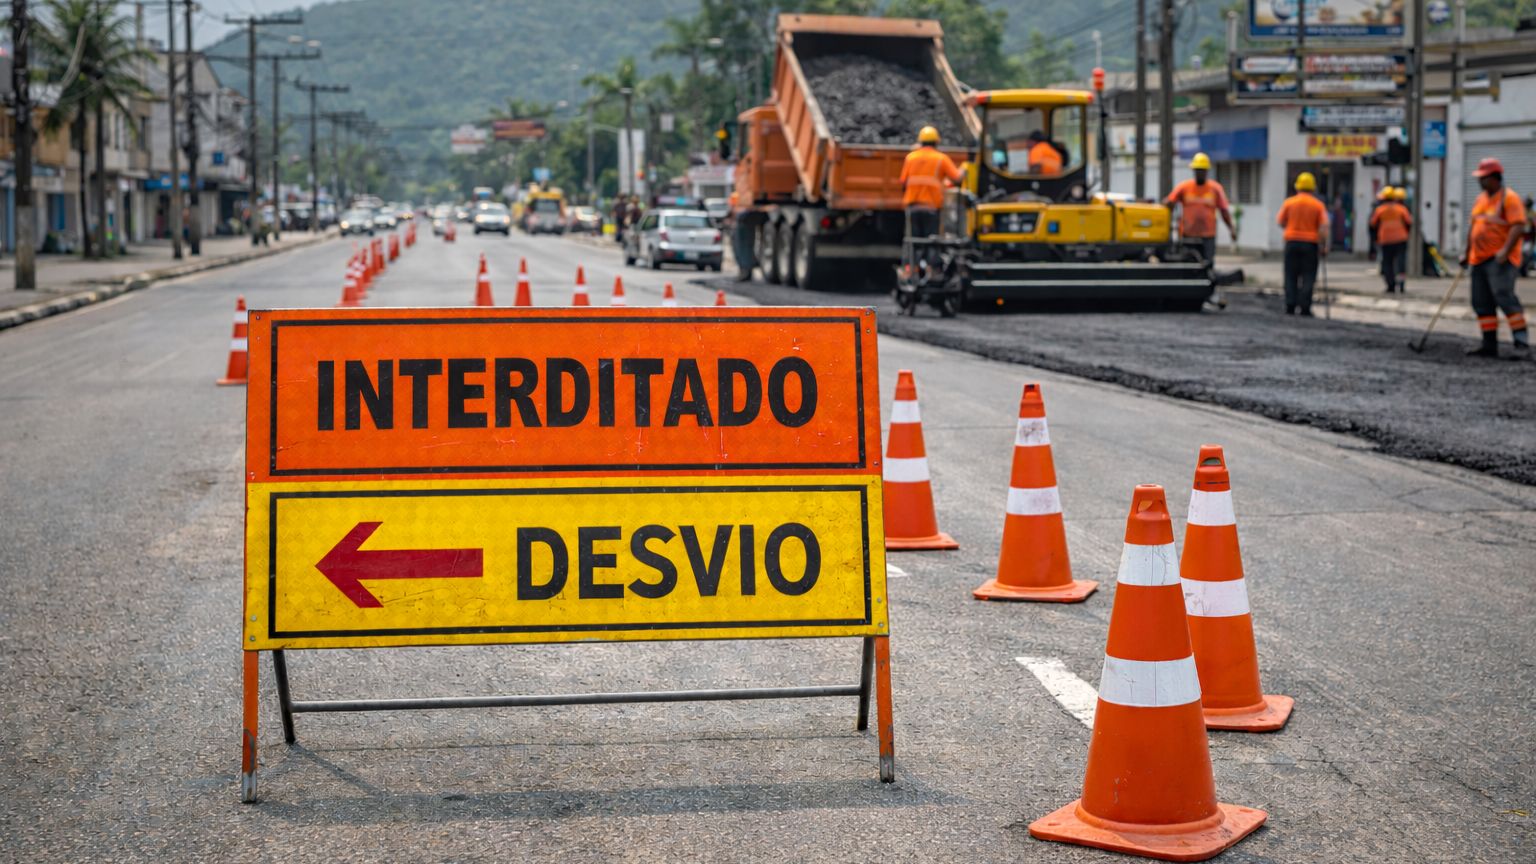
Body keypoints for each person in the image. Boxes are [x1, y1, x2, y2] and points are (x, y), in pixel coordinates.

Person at [1460, 158, 1528, 358]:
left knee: (1504, 298)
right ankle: (1489, 345)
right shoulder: (1480, 199)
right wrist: (1466, 252)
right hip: (1478, 259)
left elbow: (1518, 226)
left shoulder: (1509, 198)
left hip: (1500, 260)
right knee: (1481, 302)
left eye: (1483, 178)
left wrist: (1505, 251)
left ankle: (1521, 344)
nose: (1480, 182)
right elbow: (1474, 227)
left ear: (1495, 178)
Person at [1164, 152, 1235, 263]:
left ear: (1206, 171)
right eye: (1197, 170)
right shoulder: (1184, 187)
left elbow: (1224, 211)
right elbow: (1169, 203)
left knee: (1207, 264)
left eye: (1202, 170)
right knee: (1188, 266)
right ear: (1193, 171)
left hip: (1207, 236)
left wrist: (1231, 228)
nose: (1199, 173)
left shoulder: (1215, 189)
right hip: (1188, 236)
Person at [1276, 172, 1329, 316]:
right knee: (1308, 276)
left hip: (1291, 242)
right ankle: (1305, 307)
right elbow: (1324, 227)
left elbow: (1280, 221)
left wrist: (1292, 227)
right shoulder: (1318, 205)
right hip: (1310, 244)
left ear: (1297, 187)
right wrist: (1324, 246)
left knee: (1290, 275)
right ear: (1313, 188)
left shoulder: (1289, 202)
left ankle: (1290, 305)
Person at [899, 125, 962, 243]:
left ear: (920, 142)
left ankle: (913, 262)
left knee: (913, 242)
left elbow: (903, 182)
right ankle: (929, 262)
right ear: (936, 142)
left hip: (913, 207)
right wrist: (965, 169)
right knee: (931, 242)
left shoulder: (910, 157)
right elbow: (957, 178)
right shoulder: (941, 158)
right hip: (932, 208)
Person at [1369, 186, 1412, 294]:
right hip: (1401, 239)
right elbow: (1409, 222)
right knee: (1401, 262)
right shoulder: (1401, 209)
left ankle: (1391, 286)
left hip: (1385, 239)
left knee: (1387, 263)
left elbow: (1373, 224)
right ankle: (1401, 285)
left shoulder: (1380, 210)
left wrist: (1375, 238)